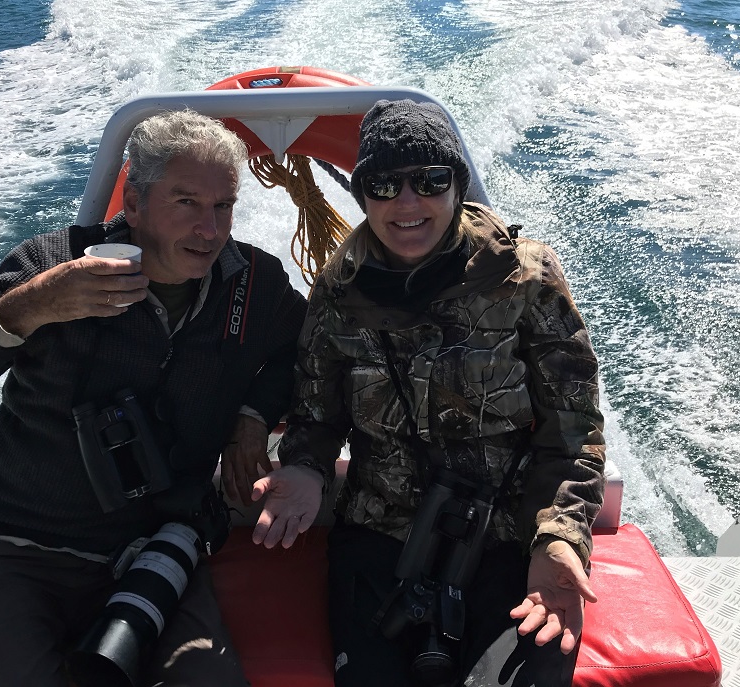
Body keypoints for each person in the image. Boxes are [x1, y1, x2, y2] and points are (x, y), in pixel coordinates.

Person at [0, 109, 307, 687]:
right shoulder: (52, 267)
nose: (209, 229)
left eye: (223, 206)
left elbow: (306, 353)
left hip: (159, 548)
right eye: (185, 203)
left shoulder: (252, 283)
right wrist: (27, 308)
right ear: (132, 205)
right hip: (11, 548)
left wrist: (251, 417)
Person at [251, 99, 606, 687]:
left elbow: (573, 429)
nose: (407, 203)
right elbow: (315, 419)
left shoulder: (527, 280)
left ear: (457, 185)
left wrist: (560, 535)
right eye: (385, 185)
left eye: (430, 181)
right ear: (363, 194)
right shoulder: (338, 295)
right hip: (380, 538)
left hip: (508, 541)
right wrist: (307, 469)